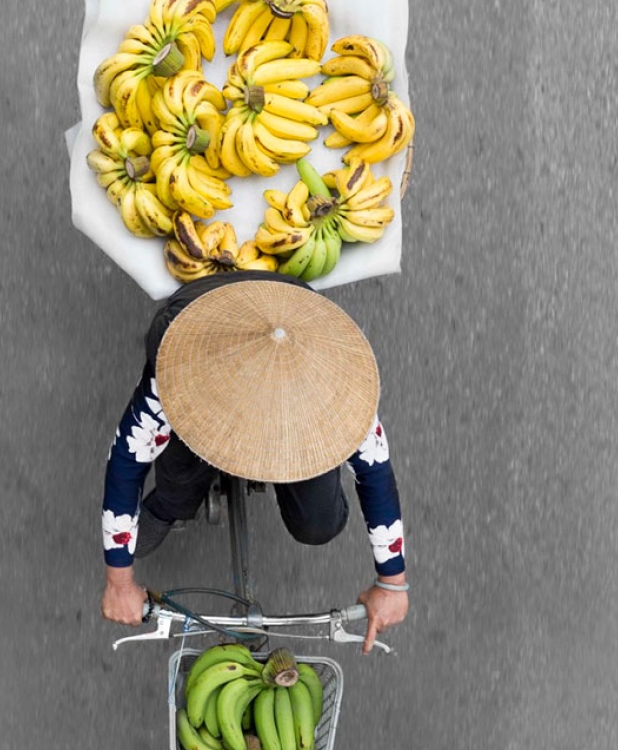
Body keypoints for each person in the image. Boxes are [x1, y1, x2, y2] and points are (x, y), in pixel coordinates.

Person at [99, 272, 408, 654]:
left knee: (318, 523)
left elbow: (375, 473)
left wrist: (392, 583)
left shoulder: (336, 385)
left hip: (290, 309)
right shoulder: (180, 373)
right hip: (204, 321)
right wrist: (119, 580)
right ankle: (174, 502)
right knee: (178, 486)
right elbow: (126, 461)